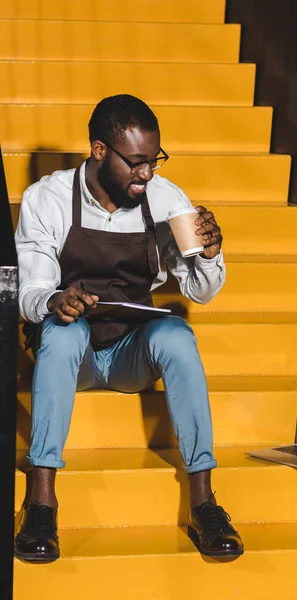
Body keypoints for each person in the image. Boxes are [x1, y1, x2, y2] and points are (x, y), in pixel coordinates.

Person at [14, 94, 244, 563]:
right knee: (61, 332)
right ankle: (40, 503)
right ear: (100, 150)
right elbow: (30, 291)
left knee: (177, 335)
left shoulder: (165, 200)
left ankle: (205, 503)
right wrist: (56, 301)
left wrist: (211, 254)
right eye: (136, 162)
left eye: (154, 160)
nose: (147, 174)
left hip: (128, 353)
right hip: (69, 351)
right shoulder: (49, 197)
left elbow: (199, 291)